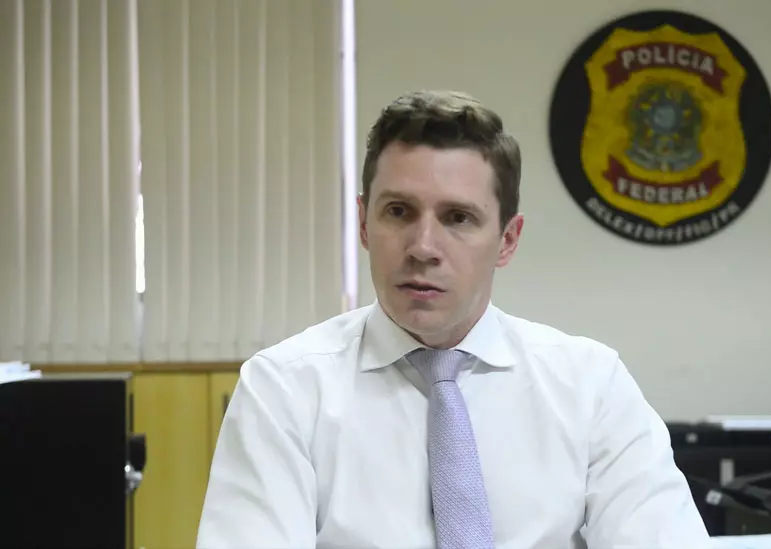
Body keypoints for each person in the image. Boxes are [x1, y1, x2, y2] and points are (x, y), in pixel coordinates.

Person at [196, 90, 710, 549]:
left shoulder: (591, 386)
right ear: (364, 224)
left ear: (507, 240)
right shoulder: (284, 389)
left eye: (457, 218)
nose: (423, 247)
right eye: (399, 211)